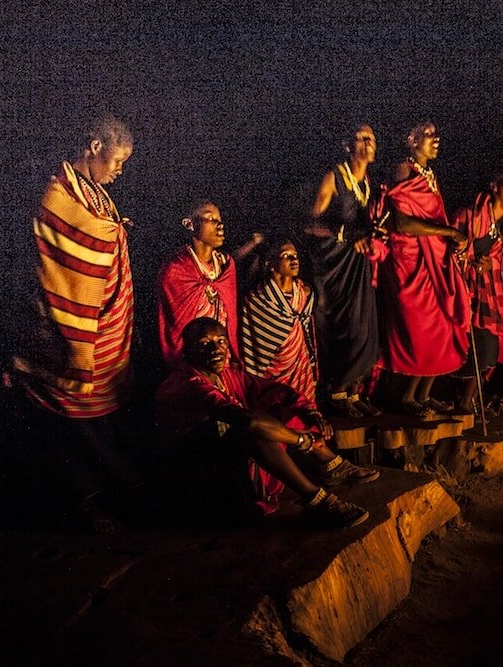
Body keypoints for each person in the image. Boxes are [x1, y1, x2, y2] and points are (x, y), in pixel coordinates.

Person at [11, 115, 141, 533]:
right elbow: (71, 238)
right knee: (68, 417)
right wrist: (109, 235)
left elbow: (99, 233)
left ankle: (113, 497)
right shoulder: (57, 192)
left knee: (101, 417)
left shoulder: (95, 194)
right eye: (118, 160)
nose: (120, 170)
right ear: (95, 147)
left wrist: (113, 233)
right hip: (62, 329)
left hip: (102, 329)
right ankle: (84, 507)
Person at [155, 317, 378, 528]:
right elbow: (248, 421)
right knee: (253, 430)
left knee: (288, 410)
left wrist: (311, 412)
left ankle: (331, 464)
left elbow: (276, 391)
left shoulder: (227, 375)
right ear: (187, 352)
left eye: (221, 341)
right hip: (195, 474)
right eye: (204, 344)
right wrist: (302, 440)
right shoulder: (190, 383)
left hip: (225, 459)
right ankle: (315, 500)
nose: (215, 349)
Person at [379, 121, 470, 415]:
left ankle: (424, 393)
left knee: (444, 325)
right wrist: (449, 233)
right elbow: (404, 223)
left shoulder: (430, 175)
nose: (436, 138)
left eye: (436, 134)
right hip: (409, 261)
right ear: (411, 140)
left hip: (434, 260)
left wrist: (449, 239)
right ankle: (406, 397)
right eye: (428, 134)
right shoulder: (404, 170)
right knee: (420, 329)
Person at [303, 124, 387, 418]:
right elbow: (309, 225)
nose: (368, 142)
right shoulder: (333, 177)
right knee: (343, 325)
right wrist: (345, 235)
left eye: (372, 138)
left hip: (357, 262)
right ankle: (336, 392)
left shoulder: (367, 184)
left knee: (364, 324)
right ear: (347, 145)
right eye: (362, 138)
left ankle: (354, 392)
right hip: (332, 265)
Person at [451, 168, 503, 413]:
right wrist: (469, 261)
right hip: (464, 287)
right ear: (494, 185)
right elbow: (447, 248)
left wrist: (491, 263)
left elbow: (500, 254)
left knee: (490, 348)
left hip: (488, 290)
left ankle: (469, 401)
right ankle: (463, 401)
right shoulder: (469, 214)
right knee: (477, 345)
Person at [157, 201, 241, 368]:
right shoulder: (176, 269)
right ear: (189, 224)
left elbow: (230, 318)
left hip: (223, 357)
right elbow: (175, 327)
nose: (220, 225)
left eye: (220, 219)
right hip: (193, 359)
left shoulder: (225, 266)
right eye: (211, 218)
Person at [241, 240, 323, 409]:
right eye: (286, 256)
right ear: (270, 264)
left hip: (300, 367)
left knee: (303, 412)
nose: (294, 260)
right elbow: (256, 343)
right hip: (273, 369)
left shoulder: (304, 293)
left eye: (295, 256)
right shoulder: (258, 300)